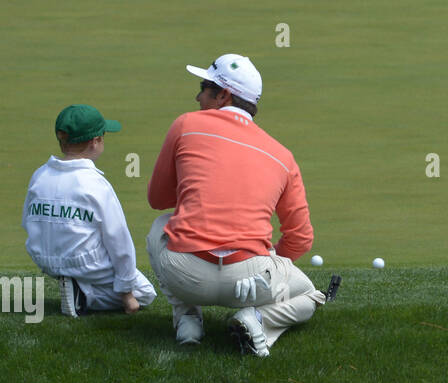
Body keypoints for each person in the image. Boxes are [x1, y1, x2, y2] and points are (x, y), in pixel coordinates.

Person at [147, 54, 334, 355]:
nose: (197, 96)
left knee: (159, 227)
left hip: (185, 276)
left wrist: (198, 191)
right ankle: (256, 317)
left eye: (204, 88)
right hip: (251, 280)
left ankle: (188, 319)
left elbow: (157, 200)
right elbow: (301, 238)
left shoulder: (186, 124)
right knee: (310, 296)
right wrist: (270, 265)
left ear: (224, 95)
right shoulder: (282, 155)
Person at [23, 105, 157, 317]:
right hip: (84, 262)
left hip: (44, 258)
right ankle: (83, 294)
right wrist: (126, 294)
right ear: (95, 142)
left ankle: (74, 283)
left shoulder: (39, 175)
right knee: (145, 292)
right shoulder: (95, 183)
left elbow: (27, 221)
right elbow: (118, 240)